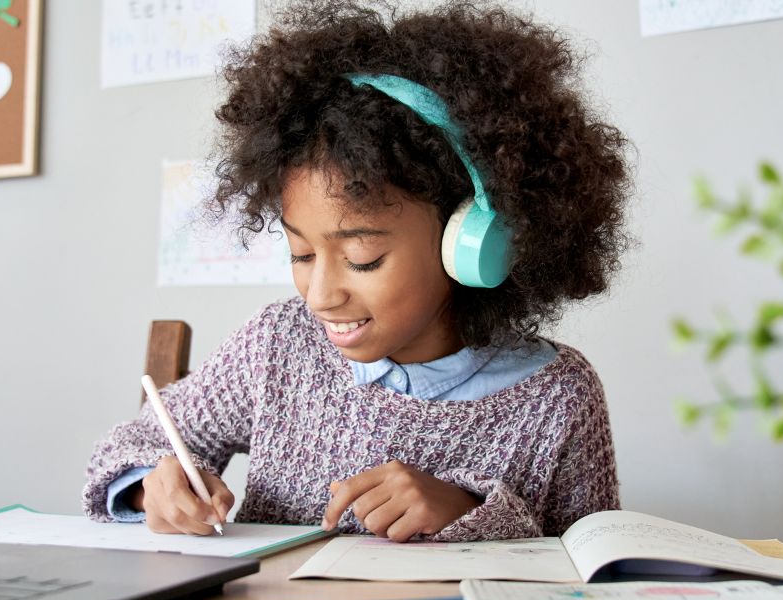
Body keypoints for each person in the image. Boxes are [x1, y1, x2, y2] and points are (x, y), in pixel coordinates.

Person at [82, 0, 632, 543]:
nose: (319, 296)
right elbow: (129, 446)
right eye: (300, 255)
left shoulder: (557, 397)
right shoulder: (277, 347)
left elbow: (594, 567)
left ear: (471, 242)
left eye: (362, 258)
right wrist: (150, 485)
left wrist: (470, 512)